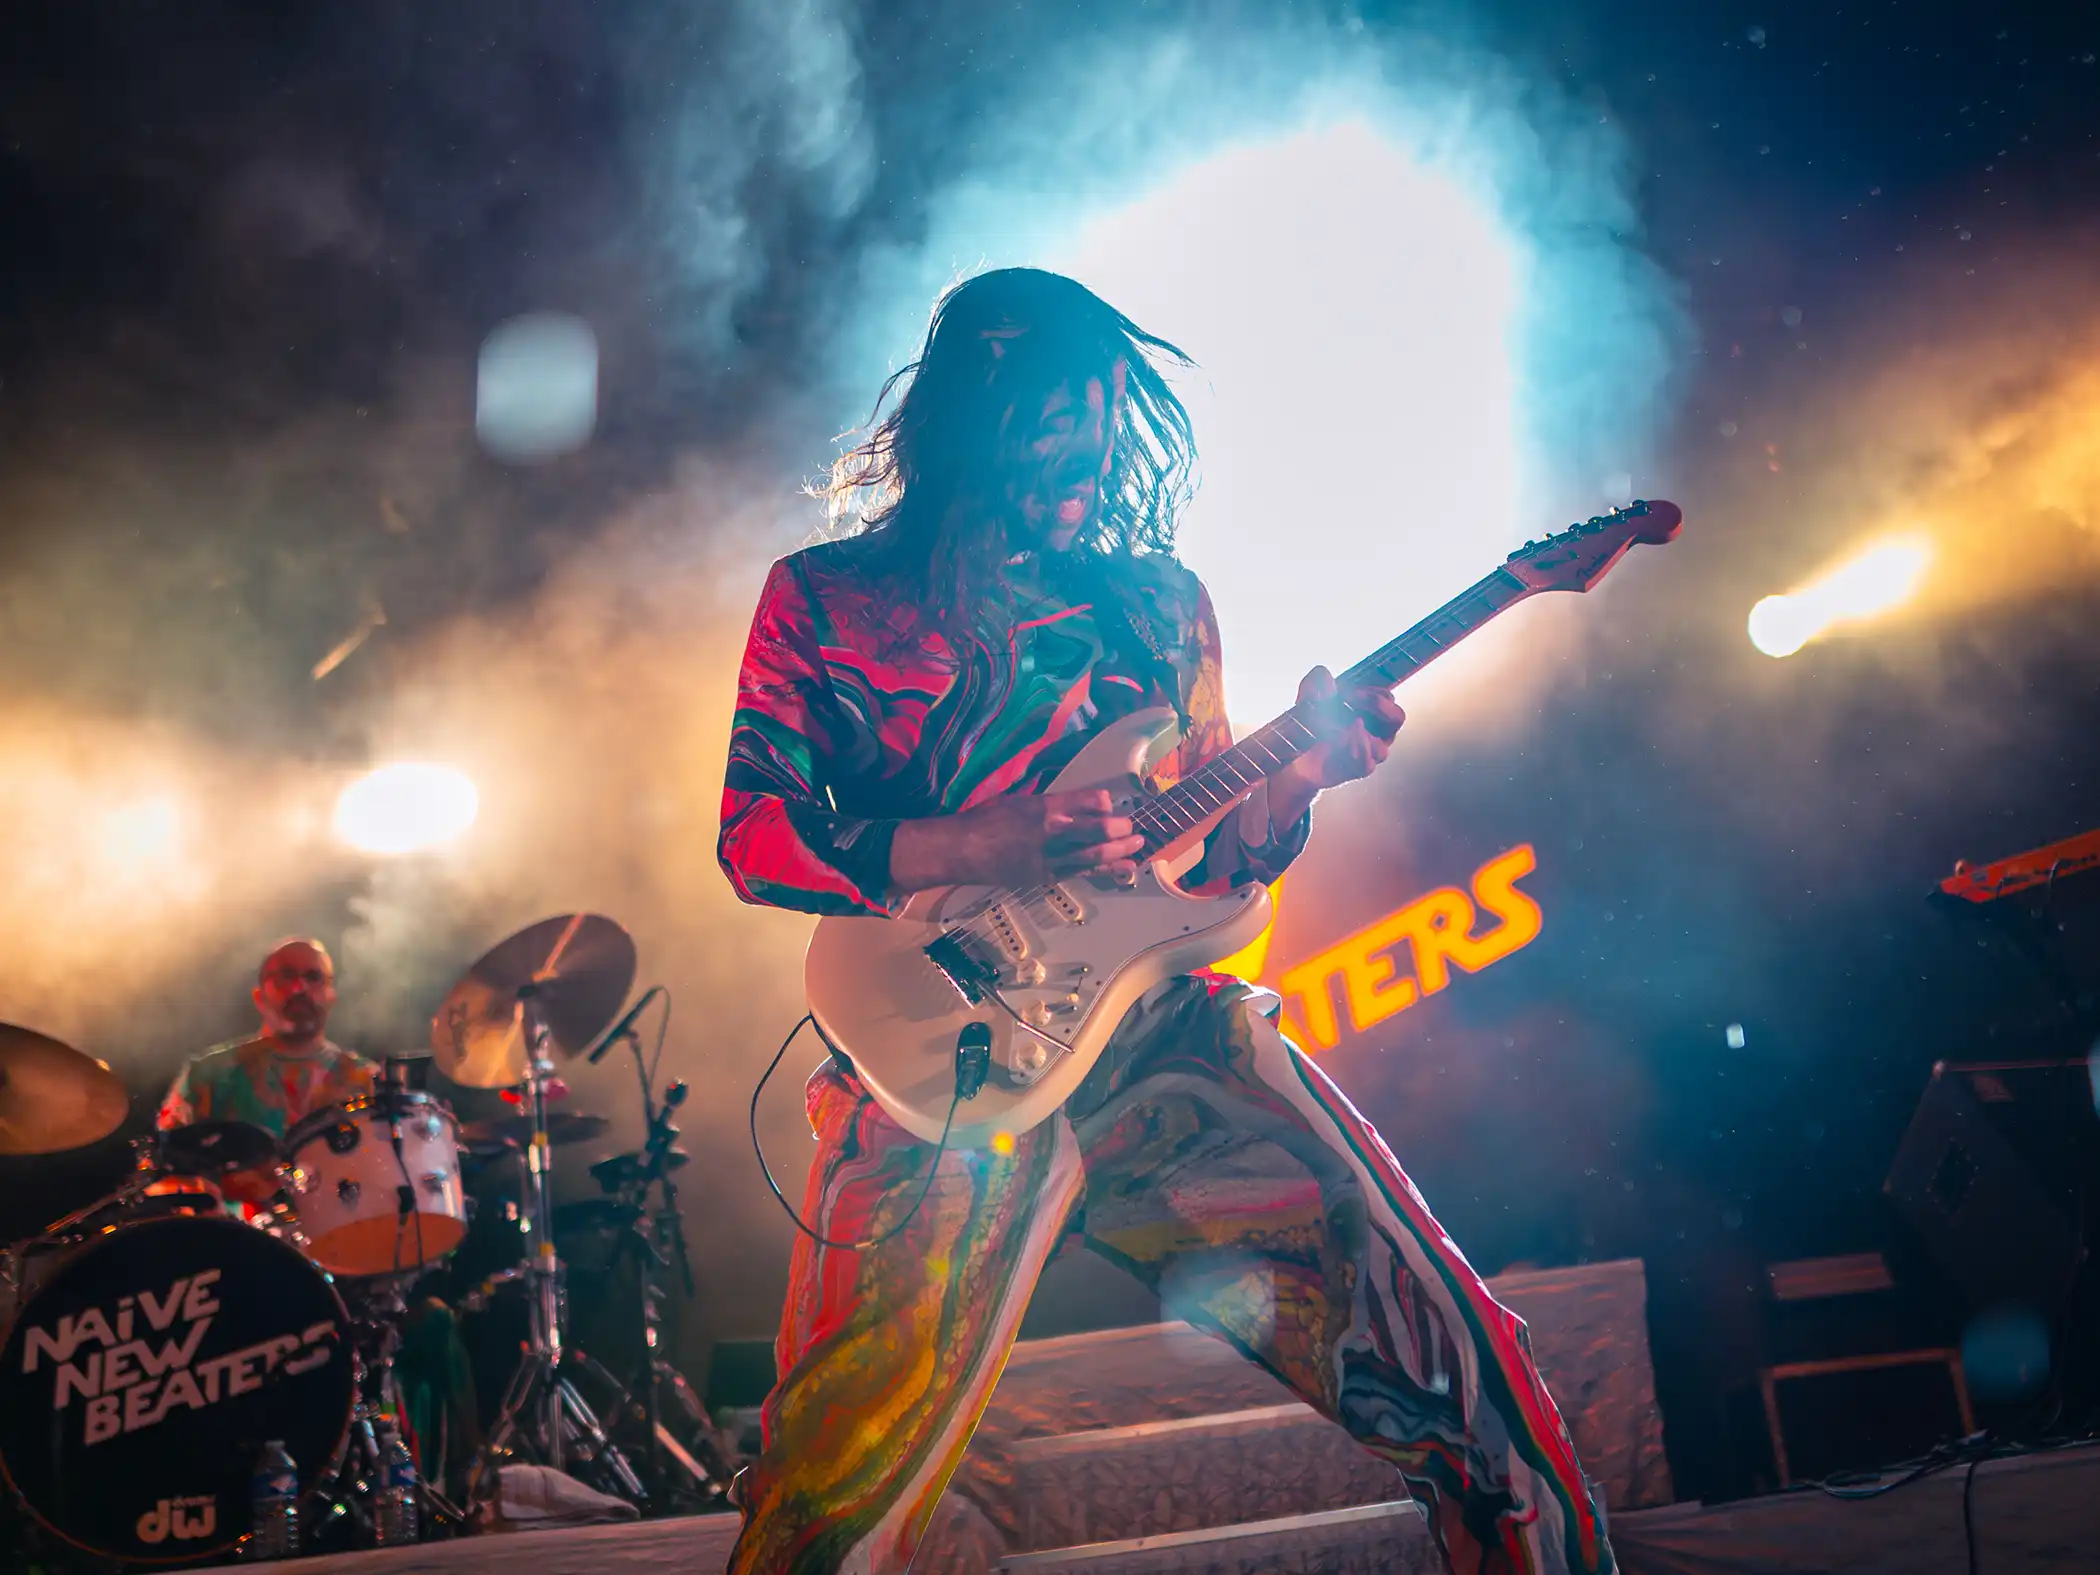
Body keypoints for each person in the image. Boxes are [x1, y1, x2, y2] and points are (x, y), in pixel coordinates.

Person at [717, 268, 1612, 1575]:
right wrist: (980, 839)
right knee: (829, 1496)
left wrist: (1301, 776)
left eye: (1090, 426)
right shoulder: (826, 597)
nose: (1070, 463)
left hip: (1158, 1048)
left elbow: (1205, 864)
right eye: (1038, 427)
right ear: (964, 418)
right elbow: (753, 832)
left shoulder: (1160, 601)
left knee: (1453, 1357)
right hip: (937, 1066)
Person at [158, 938, 378, 1199]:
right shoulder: (207, 1074)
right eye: (286, 976)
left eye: (313, 977)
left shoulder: (367, 1079)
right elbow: (163, 1167)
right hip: (235, 1235)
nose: (299, 988)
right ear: (258, 996)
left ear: (331, 995)